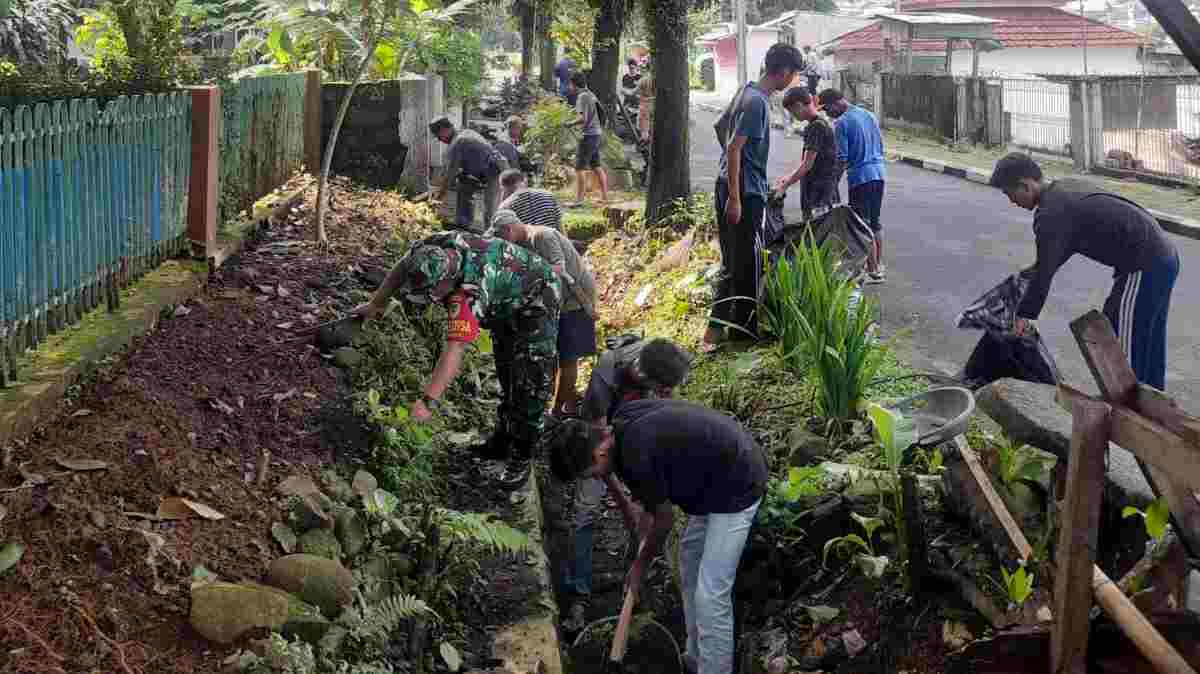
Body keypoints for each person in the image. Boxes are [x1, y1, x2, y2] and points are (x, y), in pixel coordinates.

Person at [550, 400, 767, 674]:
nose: (594, 479)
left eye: (589, 474)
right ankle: (696, 658)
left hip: (738, 482)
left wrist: (640, 566)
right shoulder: (620, 429)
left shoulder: (636, 452)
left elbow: (664, 521)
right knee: (689, 561)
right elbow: (649, 509)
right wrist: (639, 554)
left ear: (599, 452)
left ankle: (715, 669)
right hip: (713, 479)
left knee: (711, 593)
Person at [353, 231, 561, 489]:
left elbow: (455, 349)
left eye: (433, 293)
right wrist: (375, 304)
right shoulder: (432, 248)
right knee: (507, 368)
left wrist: (427, 402)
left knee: (530, 379)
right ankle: (502, 440)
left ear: (447, 280)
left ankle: (522, 455)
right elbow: (403, 266)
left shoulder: (469, 292)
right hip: (505, 294)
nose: (432, 299)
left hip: (538, 297)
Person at [989, 153, 1180, 390]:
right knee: (1145, 336)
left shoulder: (1052, 213)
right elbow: (1051, 259)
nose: (1011, 201)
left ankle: (1133, 404)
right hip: (1163, 257)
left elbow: (1045, 270)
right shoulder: (1063, 190)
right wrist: (1019, 289)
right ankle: (1155, 401)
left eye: (1010, 194)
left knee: (1121, 344)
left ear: (1026, 185)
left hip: (1145, 264)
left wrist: (1024, 315)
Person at [559, 337, 691, 629]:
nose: (665, 394)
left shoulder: (661, 367)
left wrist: (643, 504)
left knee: (648, 517)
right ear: (643, 376)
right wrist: (625, 504)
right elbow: (599, 462)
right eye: (661, 390)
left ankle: (635, 584)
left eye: (666, 391)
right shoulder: (604, 381)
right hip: (598, 445)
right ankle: (579, 593)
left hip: (636, 441)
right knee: (585, 511)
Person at [702, 43, 805, 352]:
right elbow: (734, 147)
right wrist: (736, 196)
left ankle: (715, 331)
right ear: (783, 71)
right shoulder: (757, 102)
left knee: (733, 261)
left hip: (730, 184)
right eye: (794, 73)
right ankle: (742, 334)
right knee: (747, 264)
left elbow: (721, 129)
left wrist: (733, 172)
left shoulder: (744, 91)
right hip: (743, 193)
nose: (794, 80)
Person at [489, 209, 597, 417]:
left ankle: (558, 411)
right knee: (551, 354)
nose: (502, 241)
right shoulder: (522, 243)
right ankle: (556, 401)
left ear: (509, 229)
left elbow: (558, 269)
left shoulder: (541, 236)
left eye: (501, 236)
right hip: (554, 301)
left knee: (568, 356)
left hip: (574, 300)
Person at [818, 88, 886, 283]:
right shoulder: (869, 114)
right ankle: (877, 266)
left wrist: (833, 185)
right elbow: (881, 144)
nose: (827, 113)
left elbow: (842, 158)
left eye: (827, 108)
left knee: (861, 225)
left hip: (860, 178)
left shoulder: (842, 123)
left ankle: (872, 271)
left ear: (836, 102)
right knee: (874, 222)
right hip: (879, 174)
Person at [429, 116, 509, 233]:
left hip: (496, 171)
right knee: (464, 186)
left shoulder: (458, 142)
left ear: (444, 130)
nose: (439, 140)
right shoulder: (465, 133)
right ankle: (463, 224)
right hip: (484, 169)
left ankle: (492, 237)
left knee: (491, 211)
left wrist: (438, 198)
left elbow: (450, 175)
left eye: (438, 136)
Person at [774, 87, 840, 222]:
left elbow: (807, 164)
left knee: (815, 231)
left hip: (819, 194)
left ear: (798, 106)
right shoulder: (820, 123)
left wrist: (785, 186)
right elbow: (809, 161)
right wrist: (789, 177)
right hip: (822, 192)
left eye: (792, 112)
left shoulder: (816, 127)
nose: (793, 116)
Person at [568, 72, 609, 207]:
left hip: (588, 135)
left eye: (570, 84)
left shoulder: (582, 97)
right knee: (596, 166)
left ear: (574, 84)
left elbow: (583, 118)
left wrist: (569, 123)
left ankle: (579, 200)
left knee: (579, 168)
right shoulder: (591, 94)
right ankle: (604, 197)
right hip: (596, 133)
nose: (569, 87)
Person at [498, 169, 564, 231]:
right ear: (524, 181)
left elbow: (505, 233)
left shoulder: (506, 207)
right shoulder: (548, 195)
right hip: (552, 238)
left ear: (503, 188)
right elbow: (559, 225)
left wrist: (503, 202)